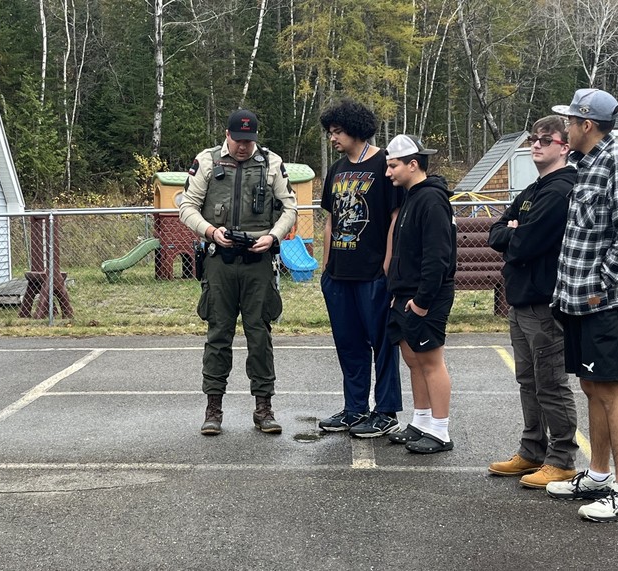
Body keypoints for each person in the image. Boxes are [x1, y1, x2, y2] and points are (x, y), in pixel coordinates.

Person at [544, 89, 618, 522]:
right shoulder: (584, 166)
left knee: (610, 388)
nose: (564, 127)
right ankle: (599, 475)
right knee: (591, 387)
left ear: (587, 125)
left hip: (603, 302)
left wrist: (602, 285)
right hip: (578, 302)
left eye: (569, 121)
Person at [179, 109, 298, 436]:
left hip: (258, 262)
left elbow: (290, 207)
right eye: (239, 140)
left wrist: (273, 236)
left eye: (250, 141)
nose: (244, 147)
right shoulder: (206, 161)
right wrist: (208, 231)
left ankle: (264, 409)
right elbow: (186, 206)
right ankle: (213, 409)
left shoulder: (272, 163)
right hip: (220, 261)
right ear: (227, 135)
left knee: (259, 335)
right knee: (218, 334)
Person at [487, 116, 580, 488]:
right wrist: (512, 232)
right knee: (527, 379)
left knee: (550, 382)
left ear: (564, 146)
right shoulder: (532, 190)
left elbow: (523, 243)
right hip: (520, 300)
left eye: (546, 139)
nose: (536, 145)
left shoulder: (561, 189)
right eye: (533, 139)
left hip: (545, 302)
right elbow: (497, 232)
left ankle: (562, 458)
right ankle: (532, 450)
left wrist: (514, 234)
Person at [316, 99, 404, 437]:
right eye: (330, 133)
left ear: (354, 130)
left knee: (382, 344)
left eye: (337, 132)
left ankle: (386, 411)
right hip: (339, 274)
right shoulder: (337, 169)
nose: (333, 138)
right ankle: (354, 409)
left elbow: (395, 217)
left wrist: (386, 265)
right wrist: (326, 266)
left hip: (373, 274)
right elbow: (329, 219)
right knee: (348, 344)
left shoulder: (385, 165)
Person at [382, 134, 457, 454]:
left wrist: (423, 301)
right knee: (413, 360)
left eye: (393, 166)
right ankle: (422, 421)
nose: (388, 173)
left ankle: (440, 431)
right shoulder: (411, 196)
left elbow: (437, 256)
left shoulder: (431, 199)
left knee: (430, 360)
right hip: (405, 294)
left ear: (413, 165)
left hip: (426, 296)